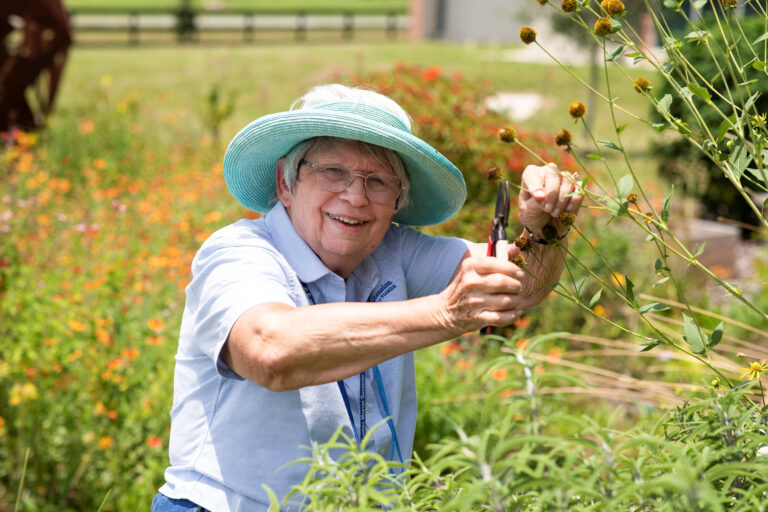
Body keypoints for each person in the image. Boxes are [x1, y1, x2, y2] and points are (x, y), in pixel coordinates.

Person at [153, 84, 583, 512]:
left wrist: (546, 227)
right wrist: (445, 312)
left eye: (378, 181)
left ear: (397, 200)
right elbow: (270, 350)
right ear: (286, 182)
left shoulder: (393, 249)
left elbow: (517, 287)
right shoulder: (238, 252)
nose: (355, 196)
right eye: (333, 171)